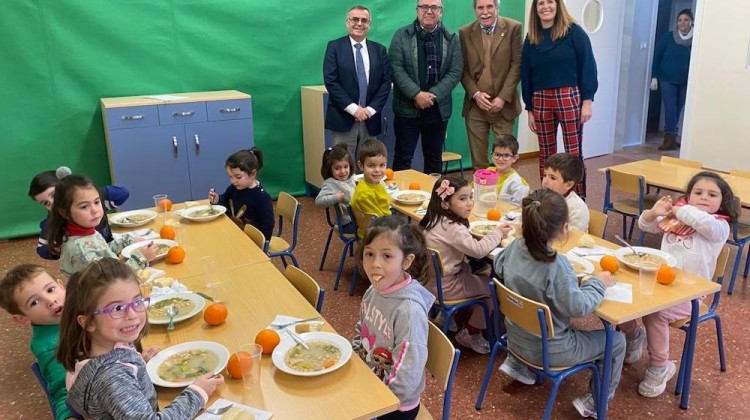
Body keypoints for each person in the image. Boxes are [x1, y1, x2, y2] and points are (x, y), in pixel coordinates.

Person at [493, 189, 623, 418]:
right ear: (565, 228)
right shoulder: (556, 265)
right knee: (618, 341)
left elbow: (499, 267)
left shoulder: (514, 247)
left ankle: (519, 364)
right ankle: (596, 401)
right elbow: (579, 308)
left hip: (515, 340)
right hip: (550, 350)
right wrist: (598, 283)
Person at [618, 171, 738, 398]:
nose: (704, 197)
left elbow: (701, 221)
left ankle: (660, 367)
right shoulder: (677, 218)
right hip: (660, 284)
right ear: (689, 195)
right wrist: (654, 212)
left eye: (712, 194)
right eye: (698, 192)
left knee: (655, 313)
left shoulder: (719, 226)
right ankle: (634, 335)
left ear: (723, 202)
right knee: (622, 294)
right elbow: (646, 226)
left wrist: (680, 209)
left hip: (690, 295)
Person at [57, 258, 223, 417]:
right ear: (88, 323)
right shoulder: (112, 378)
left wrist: (138, 361)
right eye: (118, 308)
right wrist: (198, 393)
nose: (132, 314)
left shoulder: (105, 346)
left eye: (137, 302)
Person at [352, 215, 434, 420]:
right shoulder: (373, 290)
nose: (375, 264)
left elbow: (407, 375)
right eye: (369, 254)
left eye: (387, 256)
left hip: (394, 406)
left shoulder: (409, 310)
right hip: (368, 381)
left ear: (406, 261)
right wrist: (354, 361)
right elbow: (362, 329)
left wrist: (377, 401)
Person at [420, 176, 512, 354]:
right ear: (445, 204)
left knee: (468, 268)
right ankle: (471, 333)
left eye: (471, 197)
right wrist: (498, 233)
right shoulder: (454, 228)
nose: (470, 203)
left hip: (429, 281)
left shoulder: (433, 218)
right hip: (445, 286)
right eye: (462, 199)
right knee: (493, 290)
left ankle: (446, 315)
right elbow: (478, 250)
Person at [521, 0, 597, 199]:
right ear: (535, 9)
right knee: (546, 154)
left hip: (568, 96)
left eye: (550, 2)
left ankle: (578, 200)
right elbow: (526, 74)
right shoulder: (531, 38)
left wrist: (587, 101)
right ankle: (548, 200)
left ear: (558, 5)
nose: (545, 7)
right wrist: (529, 109)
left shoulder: (574, 32)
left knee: (573, 153)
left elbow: (588, 66)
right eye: (540, 3)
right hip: (540, 100)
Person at [389, 0, 463, 174]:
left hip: (437, 109)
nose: (429, 11)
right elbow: (395, 67)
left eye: (434, 7)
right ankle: (400, 199)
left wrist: (432, 95)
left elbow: (455, 72)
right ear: (417, 10)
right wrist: (416, 94)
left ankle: (433, 200)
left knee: (434, 158)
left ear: (441, 11)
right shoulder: (401, 35)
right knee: (403, 157)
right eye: (424, 7)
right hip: (407, 109)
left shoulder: (451, 39)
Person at [0, 264, 76, 419]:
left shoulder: (75, 309)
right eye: (34, 302)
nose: (50, 301)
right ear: (22, 318)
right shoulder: (50, 347)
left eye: (50, 289)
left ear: (61, 286)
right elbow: (64, 392)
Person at [46, 171, 156, 276]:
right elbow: (111, 281)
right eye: (84, 206)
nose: (95, 210)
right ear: (65, 212)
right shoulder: (81, 251)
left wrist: (128, 241)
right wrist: (141, 258)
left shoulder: (86, 231)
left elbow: (102, 251)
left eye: (97, 202)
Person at [459, 0, 523, 170]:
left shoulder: (513, 28)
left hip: (503, 107)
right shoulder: (465, 32)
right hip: (475, 106)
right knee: (478, 163)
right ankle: (481, 195)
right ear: (475, 10)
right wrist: (476, 94)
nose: (485, 12)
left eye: (489, 7)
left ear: (497, 8)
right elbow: (462, 69)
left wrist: (502, 97)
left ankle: (503, 195)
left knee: (504, 160)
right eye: (480, 7)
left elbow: (517, 65)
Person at [324, 5, 393, 160]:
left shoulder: (379, 50)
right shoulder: (334, 47)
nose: (359, 24)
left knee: (369, 164)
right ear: (347, 22)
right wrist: (354, 109)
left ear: (369, 24)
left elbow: (386, 82)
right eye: (355, 19)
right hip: (343, 117)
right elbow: (331, 81)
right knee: (343, 166)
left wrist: (370, 110)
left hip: (370, 119)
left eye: (364, 20)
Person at [29, 169, 129, 260]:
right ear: (64, 213)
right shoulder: (51, 223)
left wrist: (89, 195)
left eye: (55, 195)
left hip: (109, 250)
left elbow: (123, 193)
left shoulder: (93, 205)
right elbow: (42, 249)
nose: (53, 202)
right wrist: (58, 248)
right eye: (46, 203)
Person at [651, 9, 694, 151]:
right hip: (667, 78)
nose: (683, 23)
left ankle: (672, 137)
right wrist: (654, 76)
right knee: (670, 109)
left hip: (685, 80)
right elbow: (657, 56)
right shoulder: (668, 37)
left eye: (686, 20)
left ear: (691, 22)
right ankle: (669, 140)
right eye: (680, 20)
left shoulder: (696, 39)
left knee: (677, 110)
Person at [208, 147, 274, 239]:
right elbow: (225, 201)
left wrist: (261, 245)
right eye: (230, 177)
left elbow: (267, 226)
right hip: (234, 234)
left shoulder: (262, 198)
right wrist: (217, 199)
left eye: (238, 177)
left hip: (250, 242)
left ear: (252, 174)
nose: (233, 181)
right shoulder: (234, 188)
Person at [350, 138, 391, 239]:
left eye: (382, 165)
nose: (377, 170)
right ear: (361, 165)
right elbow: (380, 223)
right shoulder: (365, 194)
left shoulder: (374, 184)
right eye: (371, 166)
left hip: (378, 228)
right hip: (375, 236)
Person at [541, 152, 588, 232]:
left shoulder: (577, 209)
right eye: (545, 175)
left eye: (552, 178)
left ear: (568, 185)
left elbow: (572, 237)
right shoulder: (543, 197)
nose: (545, 181)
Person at [315, 144, 357, 232]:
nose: (342, 171)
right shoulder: (331, 183)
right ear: (330, 169)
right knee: (377, 228)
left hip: (358, 217)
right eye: (337, 168)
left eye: (346, 167)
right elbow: (318, 202)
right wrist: (336, 197)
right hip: (348, 223)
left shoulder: (352, 177)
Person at [488, 134, 529, 206]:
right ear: (492, 155)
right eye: (497, 154)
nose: (500, 159)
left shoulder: (518, 183)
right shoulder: (488, 172)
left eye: (506, 155)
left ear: (514, 158)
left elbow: (517, 210)